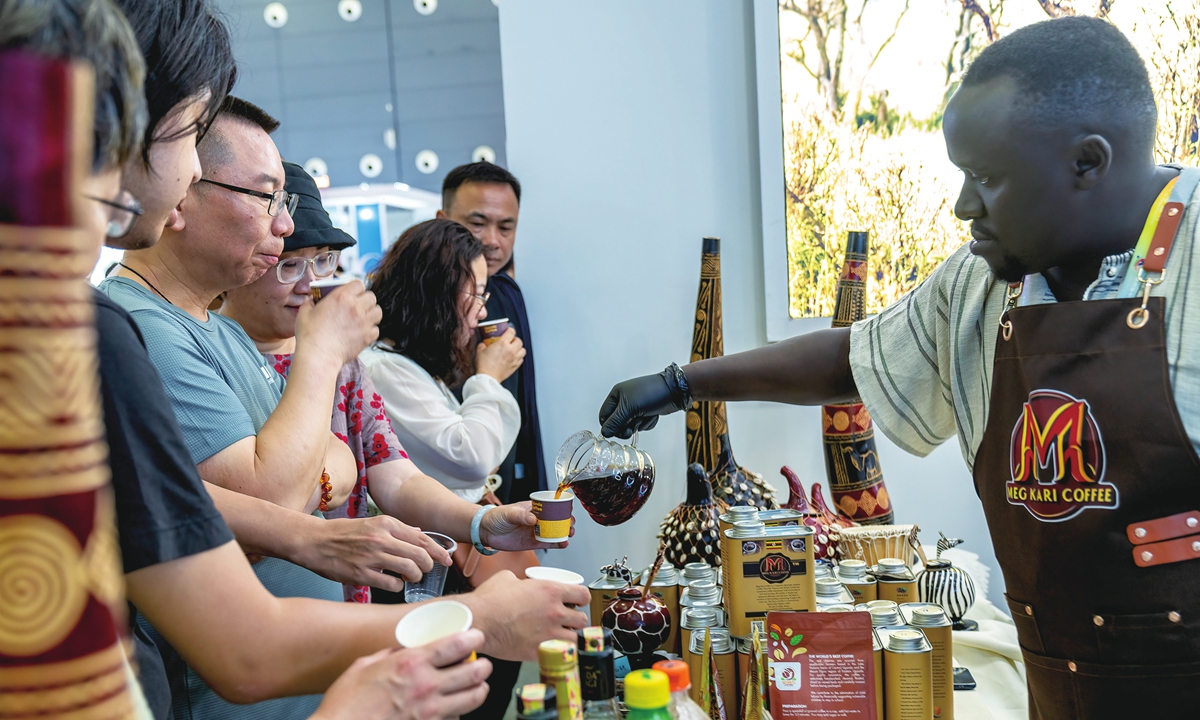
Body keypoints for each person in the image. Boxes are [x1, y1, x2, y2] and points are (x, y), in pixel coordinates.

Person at [599, 17, 1200, 720]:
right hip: (1062, 689)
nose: (961, 207)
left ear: (1087, 163)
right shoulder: (983, 284)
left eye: (987, 179)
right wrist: (683, 383)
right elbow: (854, 355)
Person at [0, 1, 494, 719]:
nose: (284, 233)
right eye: (186, 134)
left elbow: (283, 483)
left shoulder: (173, 331)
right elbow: (245, 633)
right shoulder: (85, 330)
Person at [98, 89, 588, 719]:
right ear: (184, 193)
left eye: (319, 258)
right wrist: (321, 356)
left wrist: (476, 524)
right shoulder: (137, 332)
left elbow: (339, 473)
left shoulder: (213, 330)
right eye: (268, 199)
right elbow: (275, 497)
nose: (282, 229)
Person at [220, 161, 566, 605]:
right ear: (246, 261)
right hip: (255, 612)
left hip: (348, 605)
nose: (310, 284)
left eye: (322, 261)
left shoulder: (347, 363)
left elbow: (397, 478)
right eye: (288, 265)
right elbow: (254, 497)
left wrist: (479, 524)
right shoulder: (214, 350)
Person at [362, 217, 527, 504]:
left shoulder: (406, 360)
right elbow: (473, 461)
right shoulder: (384, 369)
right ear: (436, 294)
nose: (483, 311)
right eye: (475, 294)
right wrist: (488, 377)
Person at [439, 162, 547, 503]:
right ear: (443, 221)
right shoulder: (418, 303)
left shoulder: (506, 292)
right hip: (443, 493)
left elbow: (524, 401)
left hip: (509, 487)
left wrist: (534, 487)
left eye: (506, 227)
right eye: (477, 224)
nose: (492, 241)